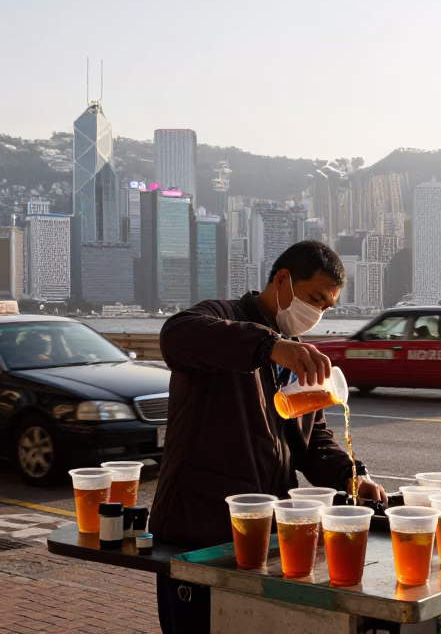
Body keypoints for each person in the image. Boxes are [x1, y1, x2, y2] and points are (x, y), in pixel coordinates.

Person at [151, 240, 387, 634]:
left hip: (263, 537)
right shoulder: (224, 318)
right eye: (313, 298)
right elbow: (176, 335)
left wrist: (352, 475)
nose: (316, 313)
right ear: (282, 280)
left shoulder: (294, 355)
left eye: (326, 307)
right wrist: (269, 346)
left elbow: (314, 439)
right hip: (197, 531)